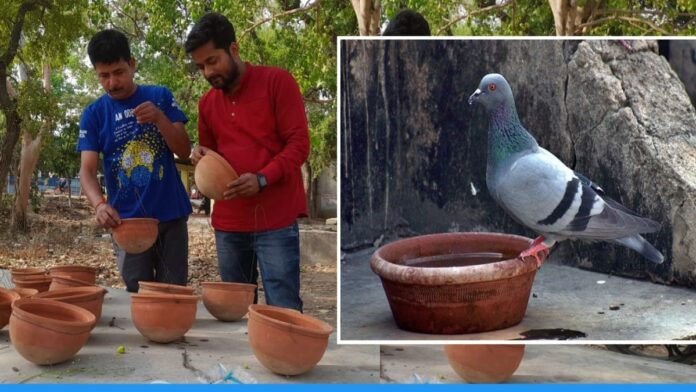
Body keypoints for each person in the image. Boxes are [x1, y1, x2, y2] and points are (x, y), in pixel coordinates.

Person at [185, 12, 309, 311]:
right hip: (229, 223)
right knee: (235, 312)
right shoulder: (207, 104)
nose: (207, 72)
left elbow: (299, 144)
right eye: (201, 66)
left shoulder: (276, 82)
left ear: (234, 48)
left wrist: (262, 178)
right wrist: (199, 157)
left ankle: (288, 358)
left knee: (283, 308)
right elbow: (211, 156)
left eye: (212, 61)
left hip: (275, 220)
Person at [77, 29, 192, 292]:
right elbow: (87, 170)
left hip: (170, 216)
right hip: (126, 221)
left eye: (118, 72)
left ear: (133, 64)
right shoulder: (94, 114)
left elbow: (184, 150)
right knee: (137, 293)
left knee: (172, 292)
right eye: (103, 76)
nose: (112, 83)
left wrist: (160, 119)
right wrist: (99, 205)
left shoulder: (160, 95)